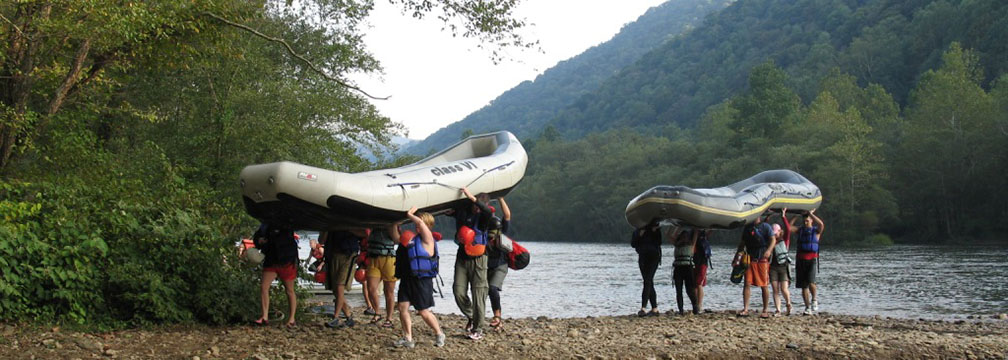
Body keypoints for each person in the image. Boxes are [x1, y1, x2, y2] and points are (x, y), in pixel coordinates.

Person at [393, 206, 446, 348]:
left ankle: (439, 333)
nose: (417, 225)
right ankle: (408, 338)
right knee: (402, 307)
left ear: (427, 225)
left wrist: (409, 214)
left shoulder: (429, 240)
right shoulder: (411, 240)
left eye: (420, 223)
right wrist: (393, 222)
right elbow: (395, 238)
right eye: (416, 223)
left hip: (422, 280)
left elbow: (421, 224)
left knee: (423, 311)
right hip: (407, 278)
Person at [452, 187, 493, 340]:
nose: (476, 208)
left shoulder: (484, 218)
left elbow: (487, 212)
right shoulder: (464, 213)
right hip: (462, 258)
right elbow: (455, 212)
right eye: (475, 205)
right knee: (458, 291)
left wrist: (474, 198)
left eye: (478, 205)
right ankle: (471, 316)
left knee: (478, 294)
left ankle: (478, 329)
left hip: (478, 259)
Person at [252, 223, 298, 328]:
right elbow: (257, 238)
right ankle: (264, 317)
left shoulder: (286, 224)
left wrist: (268, 241)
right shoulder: (265, 225)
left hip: (286, 260)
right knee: (264, 286)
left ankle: (291, 319)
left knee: (289, 290)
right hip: (271, 260)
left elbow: (284, 240)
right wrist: (259, 241)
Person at [734, 213, 776, 318]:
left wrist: (769, 250)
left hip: (762, 259)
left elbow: (773, 239)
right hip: (749, 259)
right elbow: (742, 244)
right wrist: (736, 258)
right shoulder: (747, 228)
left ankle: (765, 309)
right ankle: (746, 309)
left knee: (764, 285)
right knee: (747, 283)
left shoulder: (765, 226)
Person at [323, 229, 365, 328]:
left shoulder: (351, 221)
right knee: (336, 291)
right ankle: (349, 318)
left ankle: (336, 318)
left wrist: (348, 227)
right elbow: (321, 240)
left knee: (339, 286)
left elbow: (364, 233)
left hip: (349, 255)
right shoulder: (332, 223)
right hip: (333, 255)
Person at [486, 197, 512, 328]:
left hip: (500, 266)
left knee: (492, 288)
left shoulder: (502, 232)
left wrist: (501, 198)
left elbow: (507, 215)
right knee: (482, 291)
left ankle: (497, 316)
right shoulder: (483, 233)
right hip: (486, 266)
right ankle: (476, 316)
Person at [367, 224, 400, 328]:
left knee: (388, 291)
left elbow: (397, 240)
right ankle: (377, 312)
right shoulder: (372, 222)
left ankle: (389, 318)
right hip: (373, 258)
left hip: (389, 258)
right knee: (371, 289)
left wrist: (392, 226)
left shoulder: (391, 224)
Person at [630, 219, 662, 317]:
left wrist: (654, 231)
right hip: (643, 257)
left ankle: (643, 308)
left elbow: (659, 242)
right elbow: (633, 244)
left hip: (654, 257)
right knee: (648, 281)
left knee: (647, 281)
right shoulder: (638, 230)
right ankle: (655, 308)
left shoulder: (655, 228)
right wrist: (640, 234)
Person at [795, 209, 824, 315]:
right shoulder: (800, 230)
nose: (805, 222)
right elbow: (789, 227)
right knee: (804, 286)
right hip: (801, 259)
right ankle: (807, 307)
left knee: (811, 282)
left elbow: (821, 224)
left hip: (811, 260)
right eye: (804, 221)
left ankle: (814, 299)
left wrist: (811, 214)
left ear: (811, 221)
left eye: (807, 221)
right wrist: (797, 215)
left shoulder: (816, 232)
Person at [769, 209, 794, 316]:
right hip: (773, 267)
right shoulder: (770, 241)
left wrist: (783, 216)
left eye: (776, 233)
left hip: (783, 267)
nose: (775, 235)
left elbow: (788, 229)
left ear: (780, 232)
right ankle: (778, 310)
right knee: (775, 289)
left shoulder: (785, 240)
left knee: (784, 288)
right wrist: (767, 217)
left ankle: (788, 304)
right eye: (773, 233)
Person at [669, 227, 699, 315]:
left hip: (688, 268)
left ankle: (695, 306)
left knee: (690, 289)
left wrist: (696, 226)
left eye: (686, 236)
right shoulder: (676, 244)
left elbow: (696, 233)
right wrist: (677, 227)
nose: (684, 238)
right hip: (678, 268)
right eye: (683, 236)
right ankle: (681, 310)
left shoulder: (691, 245)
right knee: (679, 290)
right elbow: (668, 235)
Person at [692, 229, 713, 313]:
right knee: (695, 284)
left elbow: (709, 233)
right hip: (695, 262)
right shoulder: (693, 234)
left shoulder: (703, 237)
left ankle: (699, 305)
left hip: (702, 263)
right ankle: (696, 305)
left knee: (698, 283)